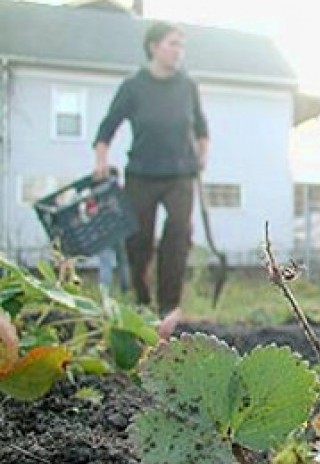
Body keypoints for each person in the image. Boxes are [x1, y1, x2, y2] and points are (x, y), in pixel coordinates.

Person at [92, 21, 209, 329]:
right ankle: (142, 302)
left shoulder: (188, 86)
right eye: (172, 44)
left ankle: (169, 309)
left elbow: (202, 129)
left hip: (180, 174)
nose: (178, 51)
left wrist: (202, 155)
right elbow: (106, 129)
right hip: (142, 174)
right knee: (138, 241)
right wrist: (101, 161)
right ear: (154, 47)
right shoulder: (133, 87)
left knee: (178, 237)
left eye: (181, 45)